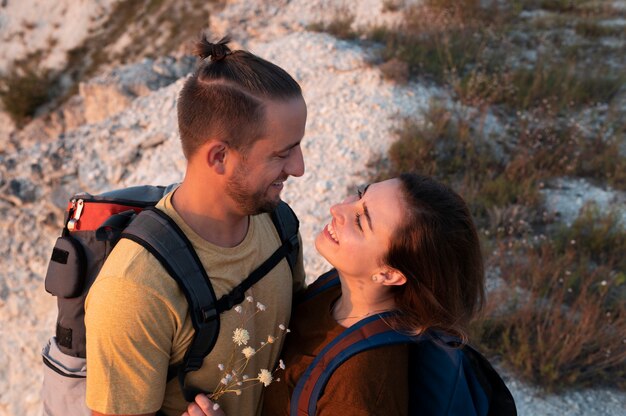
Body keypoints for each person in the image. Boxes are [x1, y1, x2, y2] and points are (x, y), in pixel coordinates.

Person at [84, 35, 307, 416]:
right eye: (282, 154)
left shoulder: (278, 223)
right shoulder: (135, 290)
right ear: (219, 157)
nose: (299, 168)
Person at [183, 173, 490, 416]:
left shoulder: (359, 388)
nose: (338, 209)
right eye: (359, 194)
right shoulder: (336, 287)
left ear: (389, 274)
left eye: (361, 221)